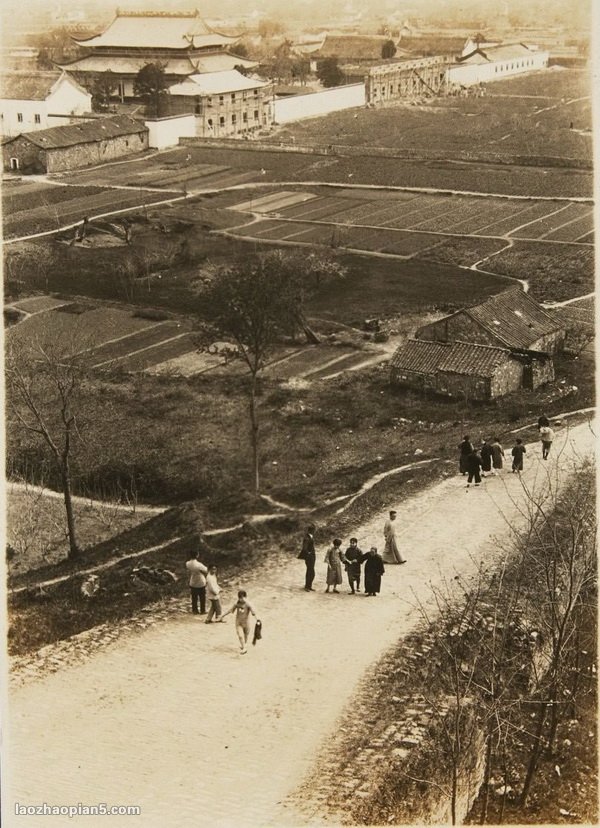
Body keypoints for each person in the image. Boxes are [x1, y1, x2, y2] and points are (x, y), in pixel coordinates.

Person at [222, 590, 257, 654]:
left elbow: (253, 612)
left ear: (245, 597)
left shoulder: (248, 604)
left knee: (246, 635)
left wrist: (257, 619)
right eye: (240, 598)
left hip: (246, 623)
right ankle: (244, 648)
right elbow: (230, 610)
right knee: (240, 636)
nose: (241, 599)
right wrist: (222, 616)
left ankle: (244, 646)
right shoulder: (237, 604)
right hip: (239, 622)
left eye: (243, 597)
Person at [185, 547, 208, 615]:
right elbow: (206, 570)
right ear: (197, 555)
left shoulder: (187, 563)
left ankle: (195, 610)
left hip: (193, 581)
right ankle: (202, 610)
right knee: (202, 597)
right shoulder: (199, 564)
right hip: (200, 581)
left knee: (194, 597)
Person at [298, 524, 316, 592]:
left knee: (310, 571)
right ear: (310, 530)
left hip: (312, 556)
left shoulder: (310, 536)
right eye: (313, 530)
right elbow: (304, 548)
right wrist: (309, 553)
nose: (314, 531)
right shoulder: (307, 538)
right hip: (309, 557)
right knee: (310, 571)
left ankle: (309, 586)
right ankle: (307, 586)